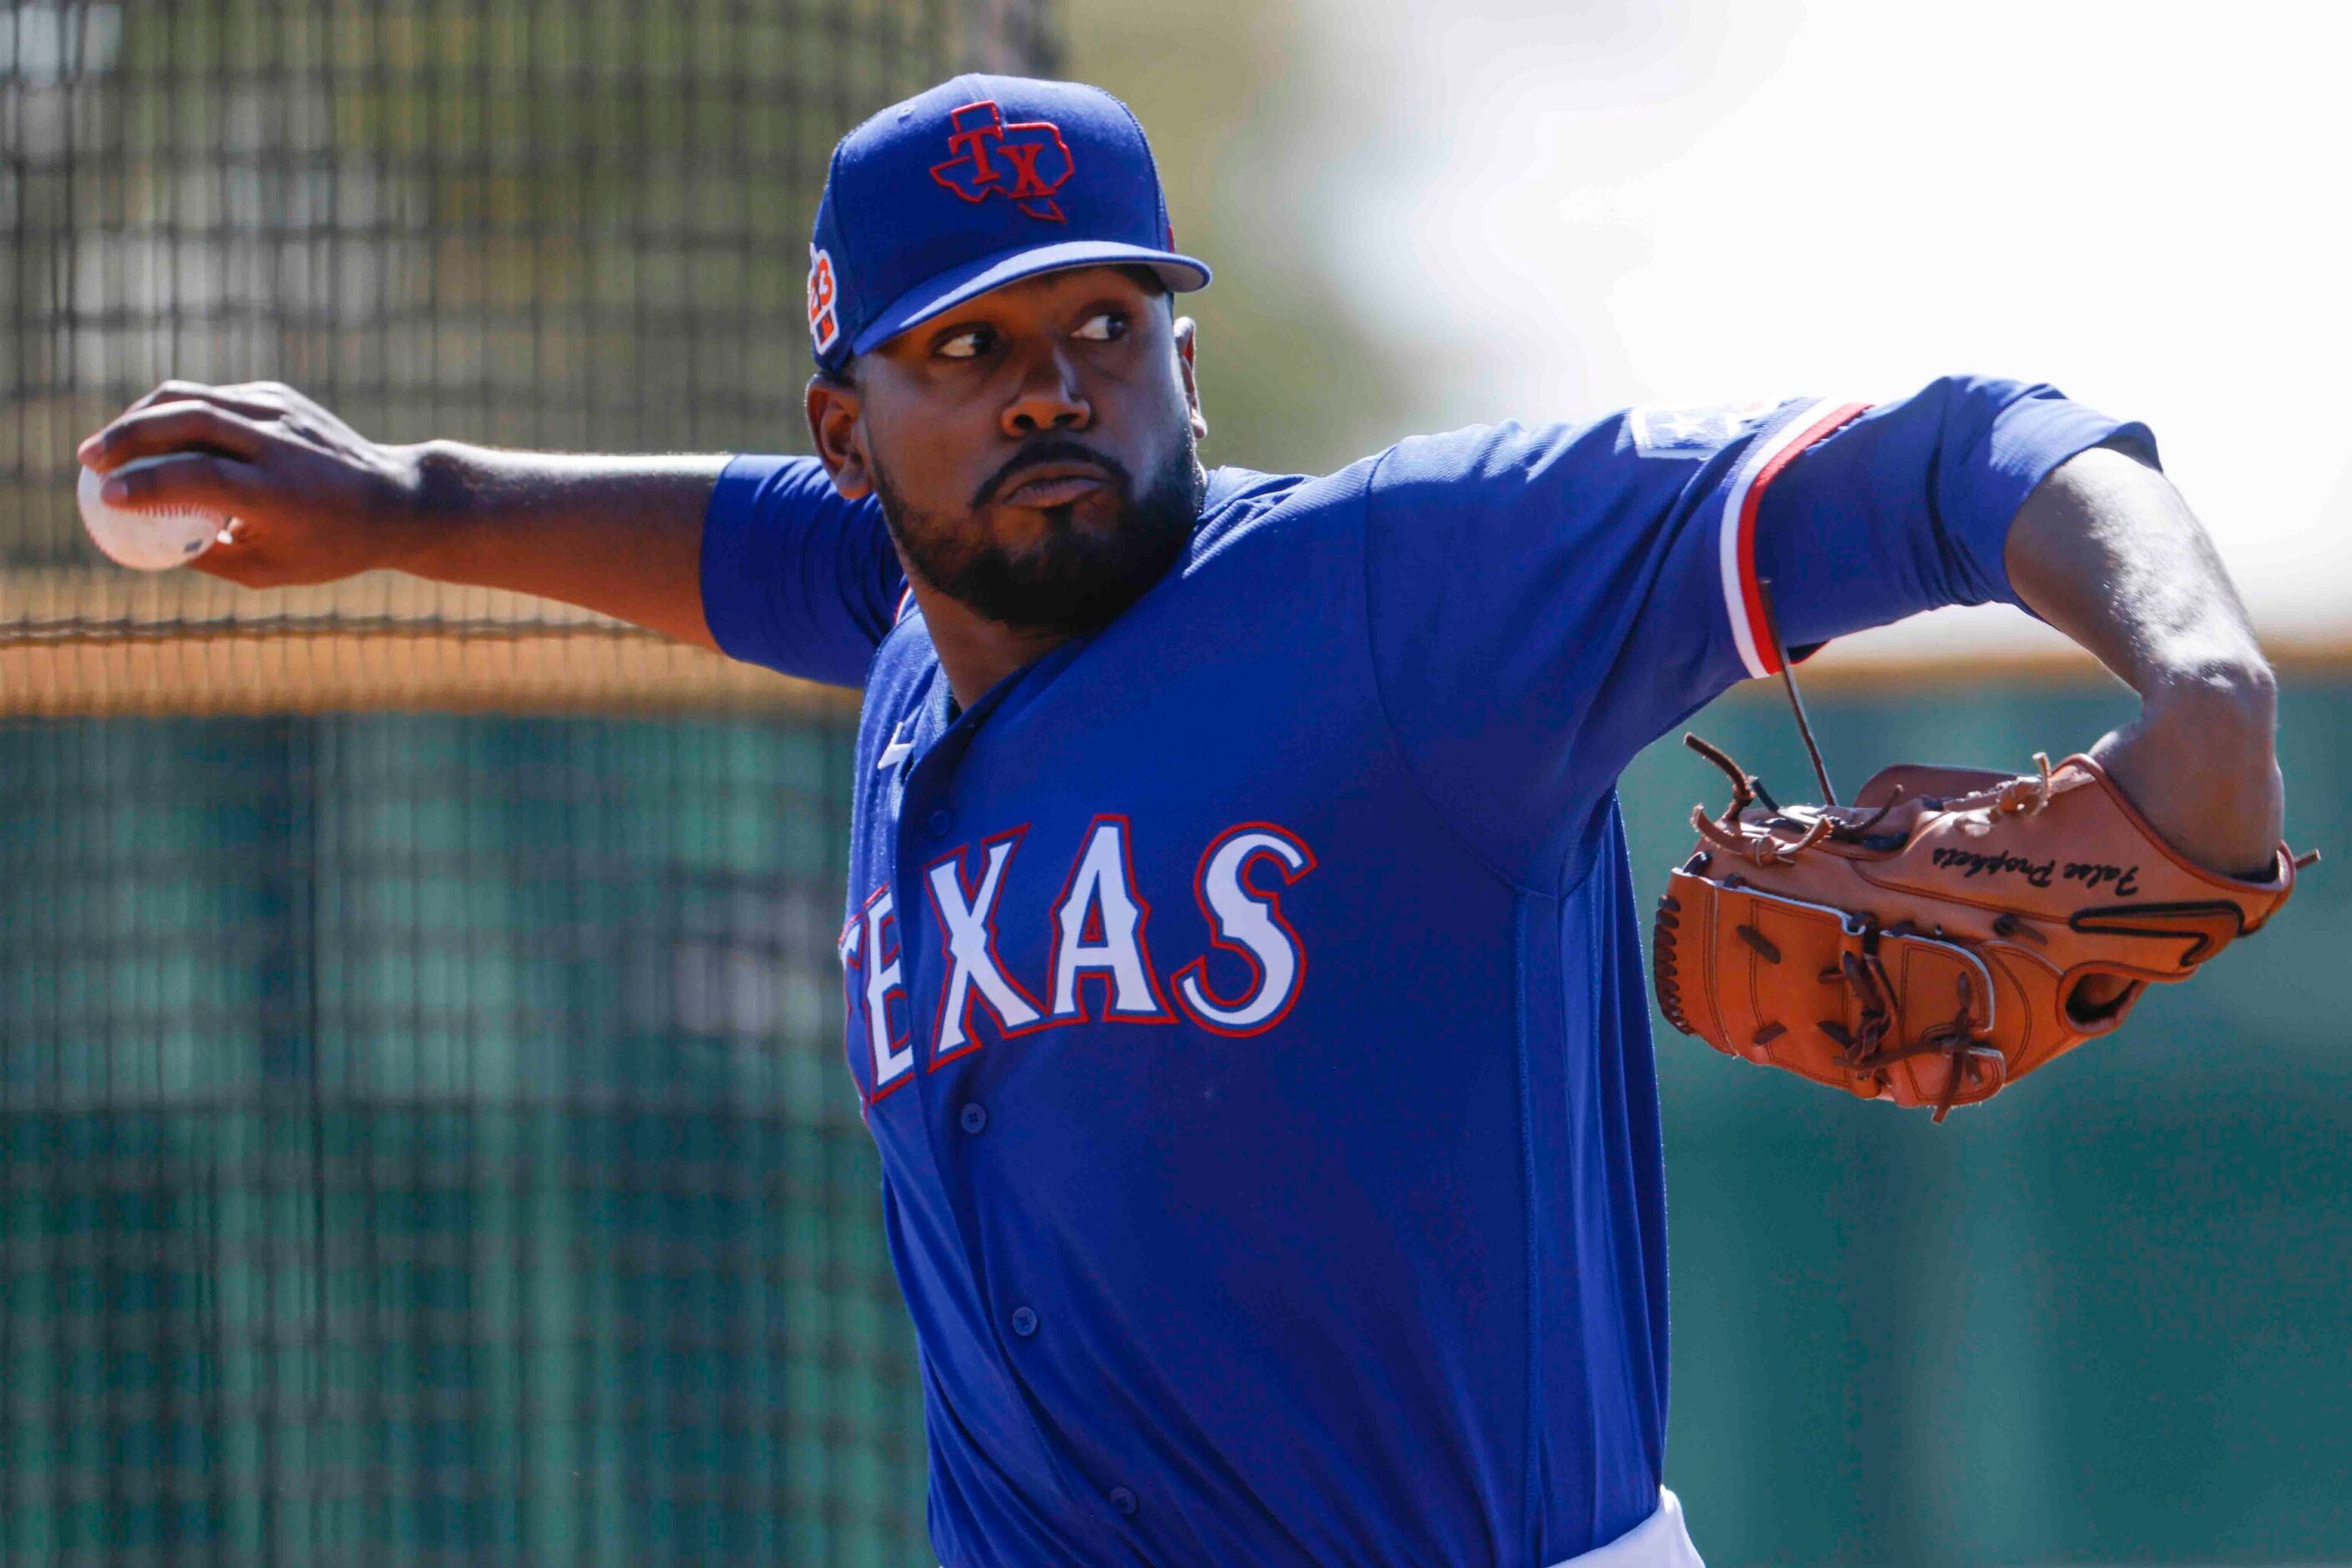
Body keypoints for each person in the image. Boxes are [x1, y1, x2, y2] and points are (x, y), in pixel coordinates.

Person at [76, 73, 2285, 1568]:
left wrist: (2195, 677)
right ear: (849, 432)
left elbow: (1963, 447)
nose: (1052, 383)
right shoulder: (906, 618)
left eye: (1106, 323)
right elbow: (723, 545)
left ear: (1182, 365)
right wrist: (402, 504)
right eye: (969, 351)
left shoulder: (1407, 598)